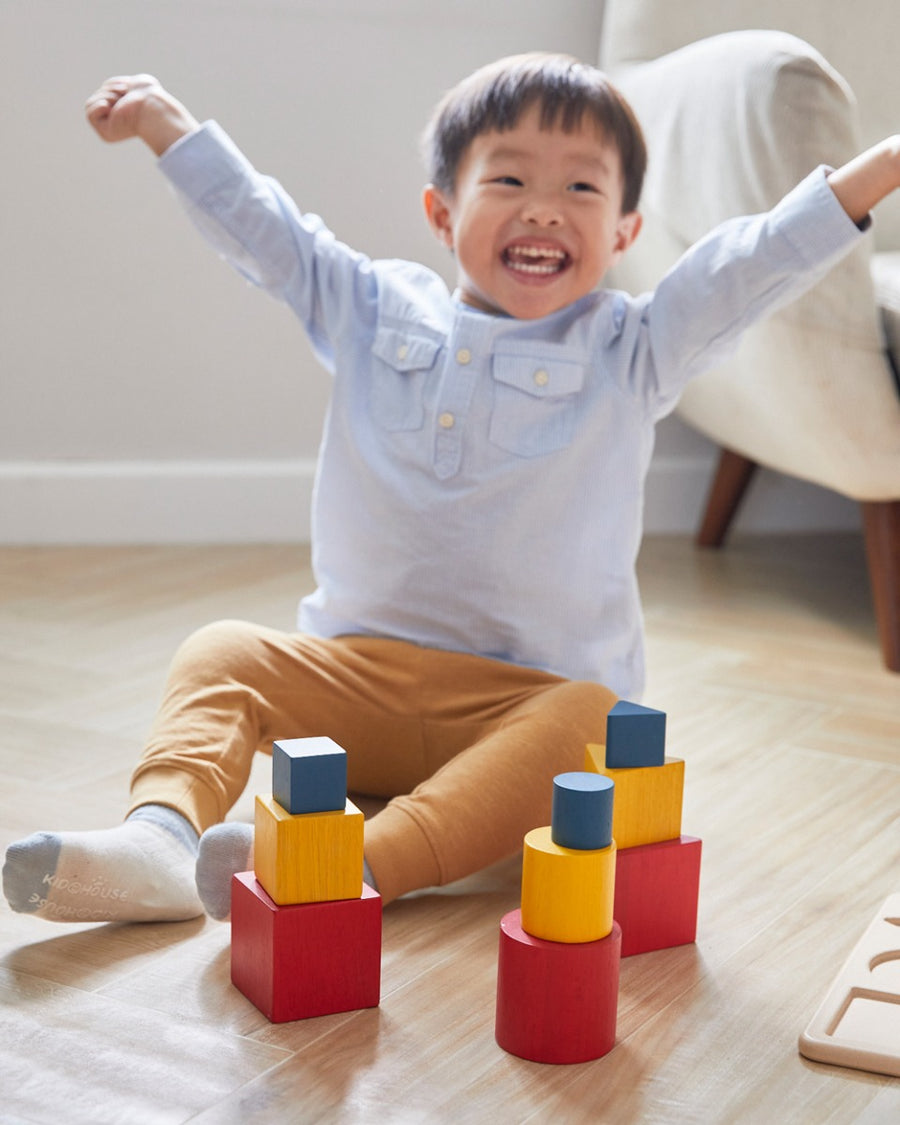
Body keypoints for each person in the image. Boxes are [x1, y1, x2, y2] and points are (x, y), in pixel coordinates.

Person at [3, 54, 896, 925]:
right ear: (441, 211)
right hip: (355, 679)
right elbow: (266, 228)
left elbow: (747, 264)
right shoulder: (372, 309)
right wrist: (169, 127)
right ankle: (158, 840)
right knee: (220, 650)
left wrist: (883, 167)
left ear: (624, 233)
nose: (544, 207)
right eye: (508, 180)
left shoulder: (634, 348)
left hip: (525, 703)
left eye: (583, 190)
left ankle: (358, 865)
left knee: (599, 720)